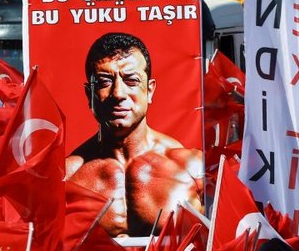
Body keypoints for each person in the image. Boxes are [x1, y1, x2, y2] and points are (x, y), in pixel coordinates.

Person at [64, 32, 203, 237]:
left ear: (149, 90)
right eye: (104, 82)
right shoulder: (67, 178)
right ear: (89, 95)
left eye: (131, 80)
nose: (118, 94)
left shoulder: (193, 168)